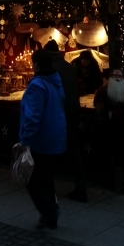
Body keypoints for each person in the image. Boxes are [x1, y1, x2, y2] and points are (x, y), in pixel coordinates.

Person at [19, 48, 67, 229]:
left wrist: (25, 140)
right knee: (46, 177)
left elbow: (33, 116)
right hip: (56, 137)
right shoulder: (55, 82)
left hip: (41, 140)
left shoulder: (37, 85)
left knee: (31, 177)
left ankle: (49, 211)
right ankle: (50, 216)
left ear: (36, 64)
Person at [44, 40, 88, 202]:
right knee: (74, 150)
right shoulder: (69, 68)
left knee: (49, 151)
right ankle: (80, 186)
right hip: (72, 113)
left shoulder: (50, 70)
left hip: (57, 114)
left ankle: (47, 189)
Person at [94, 68, 124, 191]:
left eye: (119, 75)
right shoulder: (103, 91)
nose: (117, 78)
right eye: (114, 75)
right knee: (111, 149)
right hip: (109, 124)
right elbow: (98, 102)